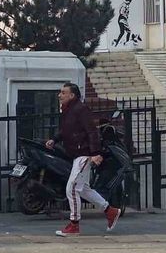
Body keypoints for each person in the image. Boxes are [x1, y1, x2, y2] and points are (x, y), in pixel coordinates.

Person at [45, 83, 121, 236]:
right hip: (78, 153)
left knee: (72, 188)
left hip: (84, 153)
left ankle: (74, 224)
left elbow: (92, 131)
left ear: (72, 95)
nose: (60, 95)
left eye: (63, 93)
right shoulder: (68, 110)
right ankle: (110, 211)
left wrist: (96, 153)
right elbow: (66, 130)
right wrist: (55, 139)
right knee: (83, 189)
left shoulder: (80, 109)